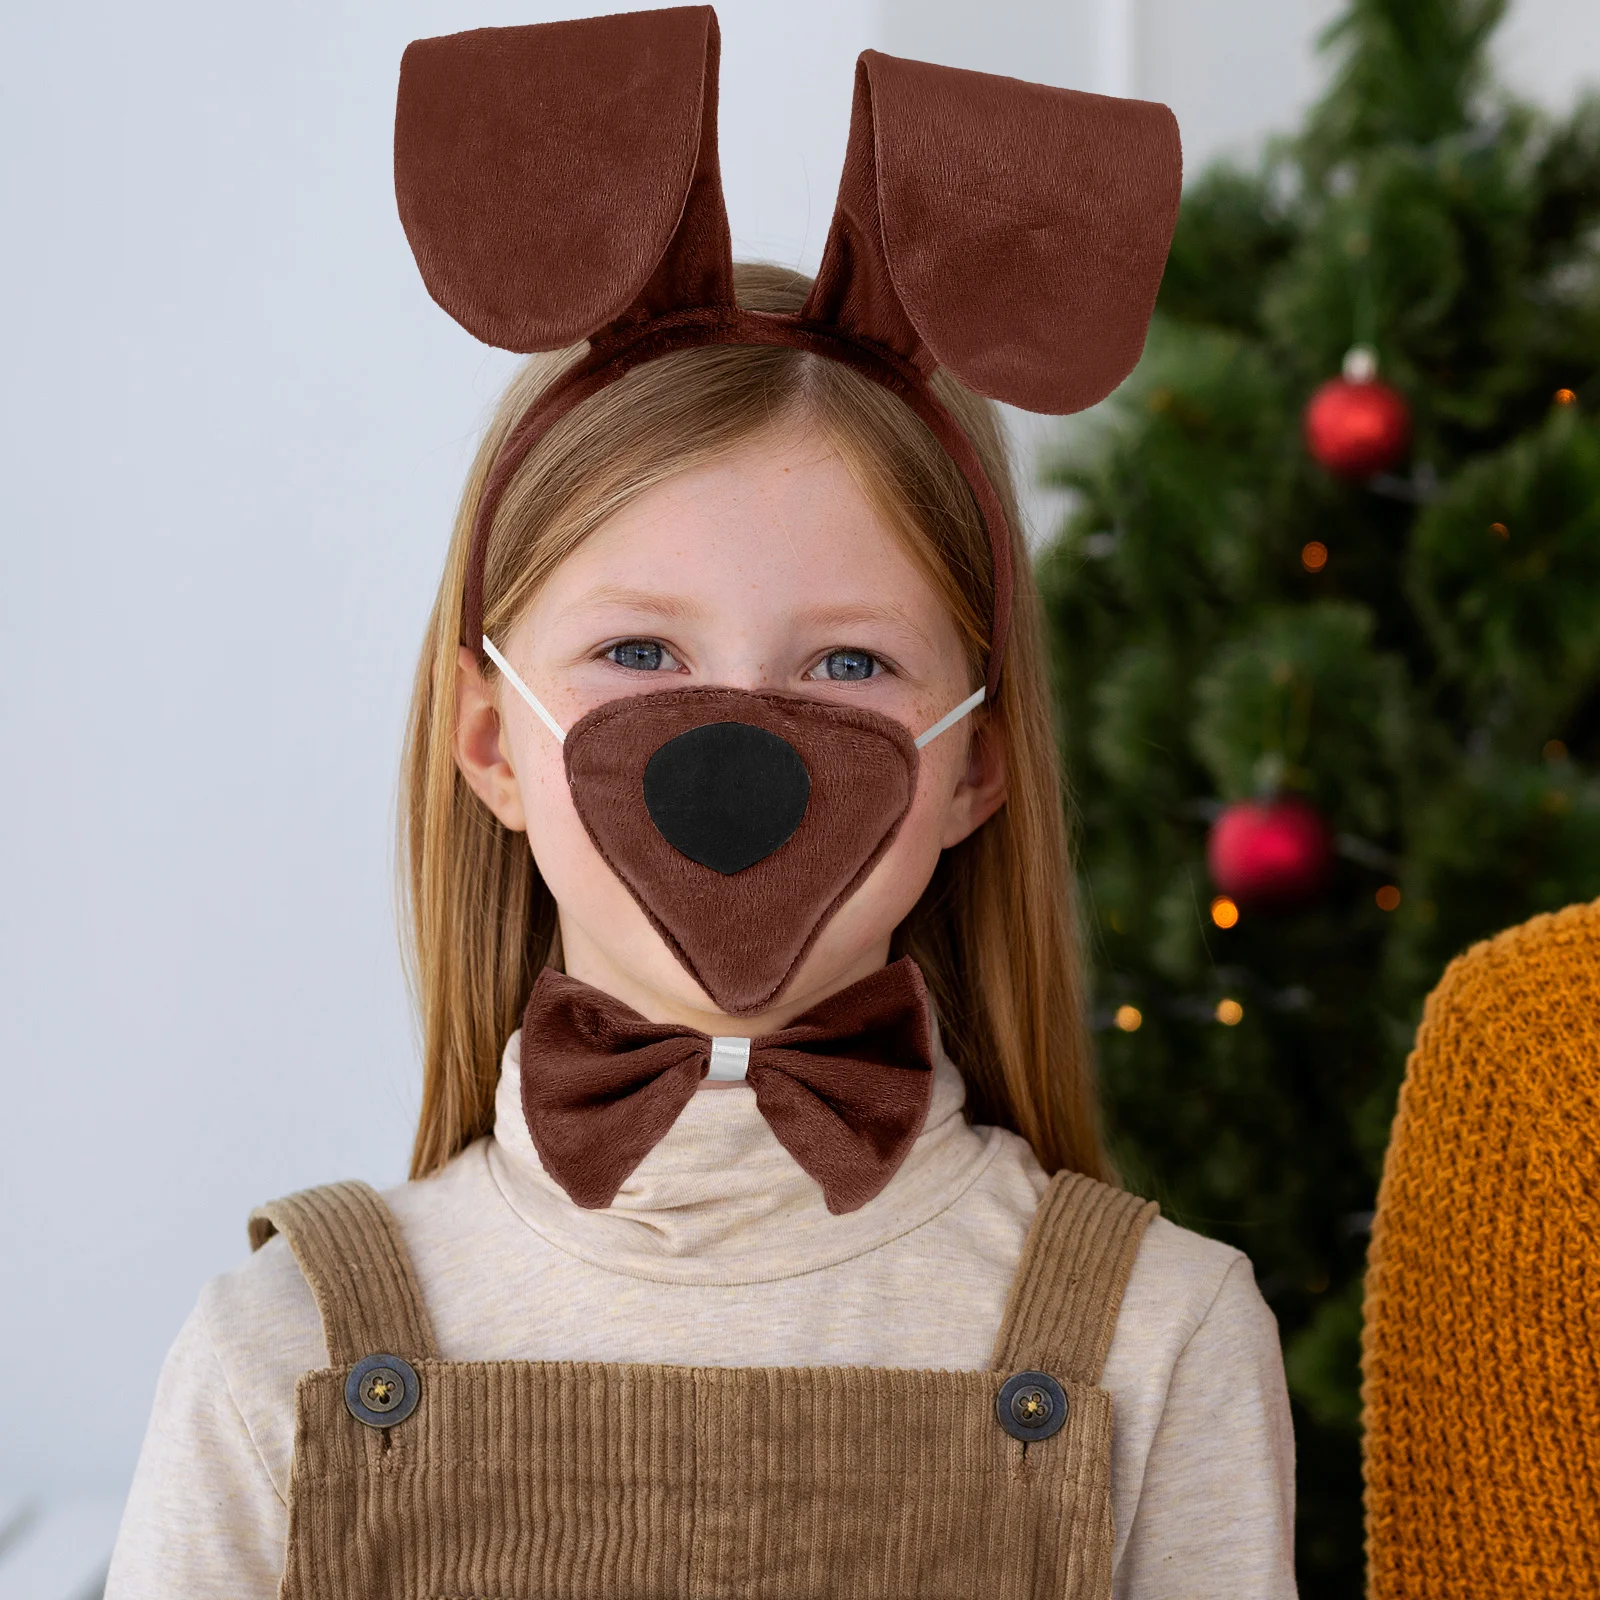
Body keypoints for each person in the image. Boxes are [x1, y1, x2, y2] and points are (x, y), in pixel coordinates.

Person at [106, 10, 1296, 1597]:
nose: (740, 743)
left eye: (853, 664)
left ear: (977, 765)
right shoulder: (283, 1355)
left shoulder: (1163, 1336)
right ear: (490, 743)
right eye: (639, 648)